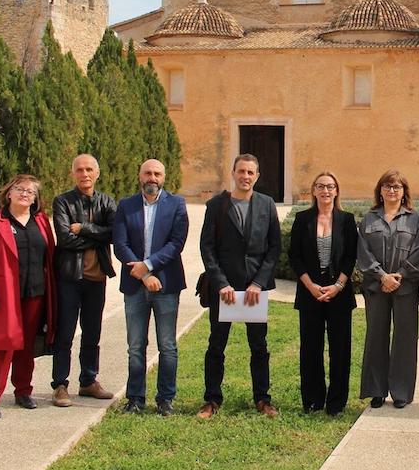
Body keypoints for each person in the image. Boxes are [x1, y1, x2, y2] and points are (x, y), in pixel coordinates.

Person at [198, 154, 282, 418]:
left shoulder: (267, 205)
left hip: (254, 289)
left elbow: (274, 248)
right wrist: (221, 283)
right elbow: (207, 247)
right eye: (241, 171)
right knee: (216, 346)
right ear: (233, 173)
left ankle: (262, 399)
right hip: (224, 289)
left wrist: (258, 283)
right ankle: (212, 400)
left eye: (250, 172)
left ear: (257, 176)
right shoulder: (216, 205)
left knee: (259, 346)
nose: (245, 176)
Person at [0, 175, 57, 420]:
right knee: (1, 348)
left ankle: (23, 391)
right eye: (19, 189)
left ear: (36, 199)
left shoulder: (41, 221)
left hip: (35, 294)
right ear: (8, 193)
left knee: (27, 347)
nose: (25, 194)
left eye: (30, 191)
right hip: (4, 298)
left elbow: (50, 258)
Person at [112, 158, 188, 415]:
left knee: (167, 345)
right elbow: (120, 245)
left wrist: (149, 265)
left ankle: (165, 399)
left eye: (157, 173)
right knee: (135, 346)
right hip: (135, 286)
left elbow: (176, 243)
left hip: (166, 285)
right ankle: (135, 399)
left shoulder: (177, 204)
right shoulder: (126, 205)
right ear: (139, 176)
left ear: (164, 177)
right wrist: (144, 275)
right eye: (147, 173)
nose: (152, 178)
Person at [50, 153, 116, 407]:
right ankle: (60, 385)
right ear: (73, 173)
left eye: (89, 169)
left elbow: (114, 233)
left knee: (92, 333)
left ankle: (88, 381)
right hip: (69, 278)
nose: (85, 174)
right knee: (65, 332)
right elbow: (65, 239)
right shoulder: (63, 202)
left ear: (97, 173)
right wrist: (97, 235)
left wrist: (84, 228)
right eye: (80, 169)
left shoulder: (106, 202)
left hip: (96, 279)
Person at [357, 170, 419, 409]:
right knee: (376, 336)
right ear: (380, 191)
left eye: (397, 187)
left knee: (404, 339)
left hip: (405, 288)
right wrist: (382, 276)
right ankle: (376, 391)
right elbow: (363, 253)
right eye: (387, 186)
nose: (392, 191)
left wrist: (400, 275)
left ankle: (401, 392)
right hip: (377, 288)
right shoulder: (369, 219)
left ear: (404, 191)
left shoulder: (415, 219)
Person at [289, 170, 356, 415]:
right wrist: (311, 286)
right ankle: (313, 400)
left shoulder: (347, 220)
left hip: (339, 294)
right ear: (314, 191)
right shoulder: (302, 219)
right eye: (320, 186)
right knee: (310, 349)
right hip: (310, 294)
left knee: (340, 350)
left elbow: (351, 257)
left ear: (336, 191)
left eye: (330, 186)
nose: (325, 191)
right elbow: (294, 256)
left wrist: (337, 286)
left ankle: (336, 402)